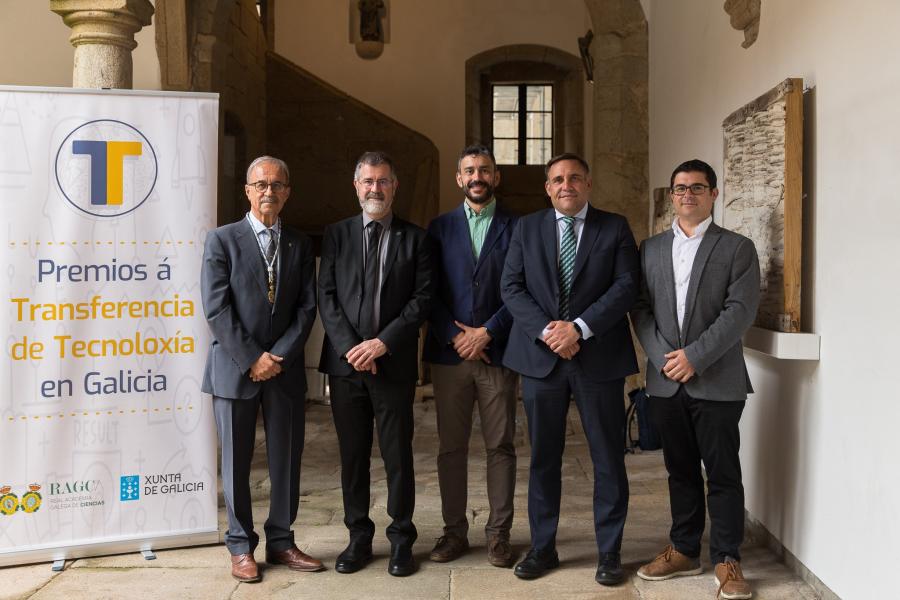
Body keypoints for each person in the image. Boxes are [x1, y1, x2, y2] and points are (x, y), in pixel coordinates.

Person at [500, 153, 639, 586]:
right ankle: (543, 548)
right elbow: (511, 287)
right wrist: (549, 332)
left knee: (608, 458)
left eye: (575, 178)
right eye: (558, 179)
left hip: (598, 359)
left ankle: (609, 552)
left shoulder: (614, 227)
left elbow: (626, 286)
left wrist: (578, 328)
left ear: (588, 184)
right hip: (542, 362)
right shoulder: (526, 228)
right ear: (547, 188)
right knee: (543, 458)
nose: (567, 185)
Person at [631, 159, 760, 600]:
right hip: (666, 380)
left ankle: (727, 558)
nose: (688, 195)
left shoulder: (737, 248)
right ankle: (685, 549)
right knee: (680, 470)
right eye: (680, 188)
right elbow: (640, 309)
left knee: (722, 473)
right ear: (672, 195)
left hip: (718, 381)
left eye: (697, 187)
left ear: (713, 194)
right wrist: (665, 359)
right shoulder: (649, 249)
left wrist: (695, 358)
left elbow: (740, 311)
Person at [201, 156, 322, 583]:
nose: (268, 191)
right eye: (261, 184)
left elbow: (307, 308)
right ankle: (240, 546)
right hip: (235, 368)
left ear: (288, 192)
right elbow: (216, 308)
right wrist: (253, 358)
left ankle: (282, 541)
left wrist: (278, 356)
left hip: (284, 371)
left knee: (286, 458)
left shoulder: (300, 243)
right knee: (236, 462)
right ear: (248, 191)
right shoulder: (221, 240)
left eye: (277, 184)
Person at [318, 151, 434, 577]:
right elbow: (326, 295)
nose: (375, 188)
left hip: (393, 364)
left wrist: (382, 344)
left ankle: (401, 539)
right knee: (353, 456)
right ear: (356, 186)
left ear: (394, 186)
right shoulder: (337, 234)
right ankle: (358, 538)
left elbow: (422, 299)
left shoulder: (416, 239)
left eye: (383, 181)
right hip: (346, 366)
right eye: (368, 181)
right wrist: (353, 348)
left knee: (397, 456)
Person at [424, 145, 519, 568]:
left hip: (498, 353)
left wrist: (488, 332)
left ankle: (499, 535)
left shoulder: (519, 227)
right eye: (469, 171)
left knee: (501, 446)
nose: (477, 176)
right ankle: (453, 533)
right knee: (451, 448)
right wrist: (454, 335)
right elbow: (427, 291)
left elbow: (523, 288)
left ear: (496, 177)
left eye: (484, 170)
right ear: (458, 178)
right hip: (451, 356)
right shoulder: (439, 228)